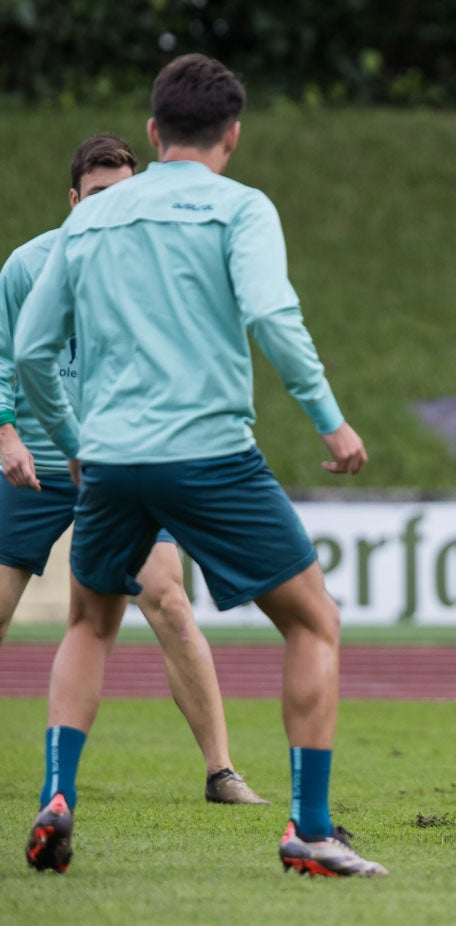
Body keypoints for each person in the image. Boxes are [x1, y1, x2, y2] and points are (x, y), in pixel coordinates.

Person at [14, 54, 385, 877]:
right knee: (313, 620)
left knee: (89, 622)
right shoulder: (240, 208)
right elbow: (271, 314)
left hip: (108, 459)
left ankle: (56, 797)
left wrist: (73, 440)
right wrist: (330, 421)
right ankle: (311, 830)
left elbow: (34, 349)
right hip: (209, 453)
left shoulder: (88, 221)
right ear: (234, 135)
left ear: (152, 132)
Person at [0, 133, 267, 809]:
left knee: (170, 603)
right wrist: (6, 434)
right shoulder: (27, 267)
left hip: (123, 461)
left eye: (122, 194)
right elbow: (7, 359)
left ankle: (221, 772)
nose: (110, 207)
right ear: (72, 199)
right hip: (34, 462)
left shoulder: (148, 270)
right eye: (97, 196)